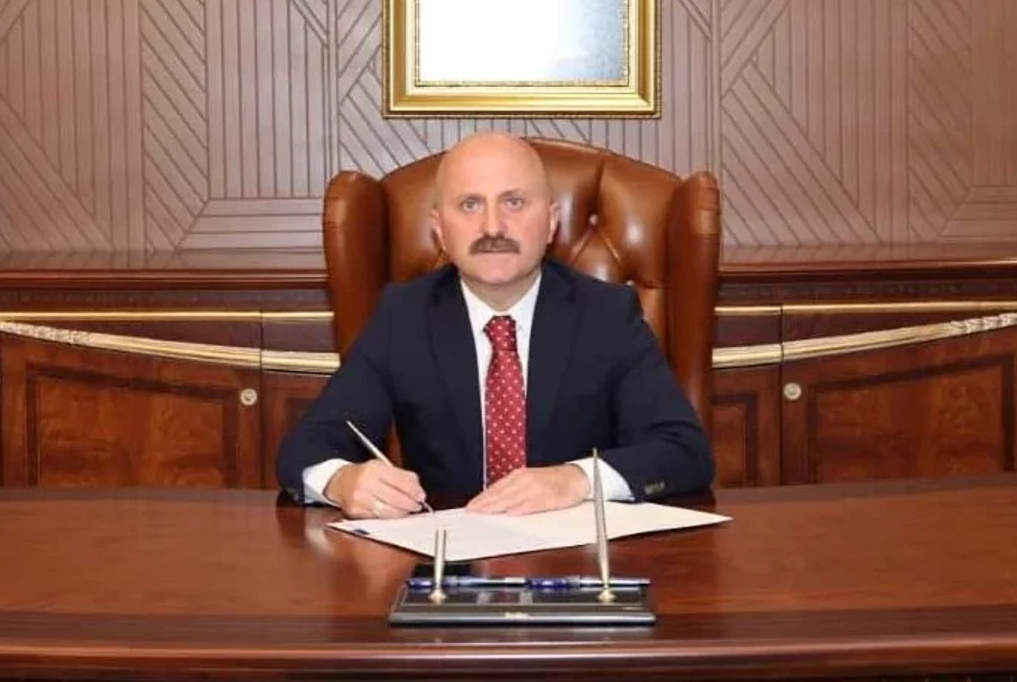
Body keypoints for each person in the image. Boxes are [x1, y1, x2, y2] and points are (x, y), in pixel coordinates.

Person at [275, 132, 713, 519]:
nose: (492, 227)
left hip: (572, 561)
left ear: (551, 222)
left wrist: (576, 479)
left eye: (514, 202)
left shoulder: (606, 314)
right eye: (470, 205)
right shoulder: (404, 315)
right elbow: (305, 449)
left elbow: (685, 452)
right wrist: (342, 481)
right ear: (439, 229)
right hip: (448, 562)